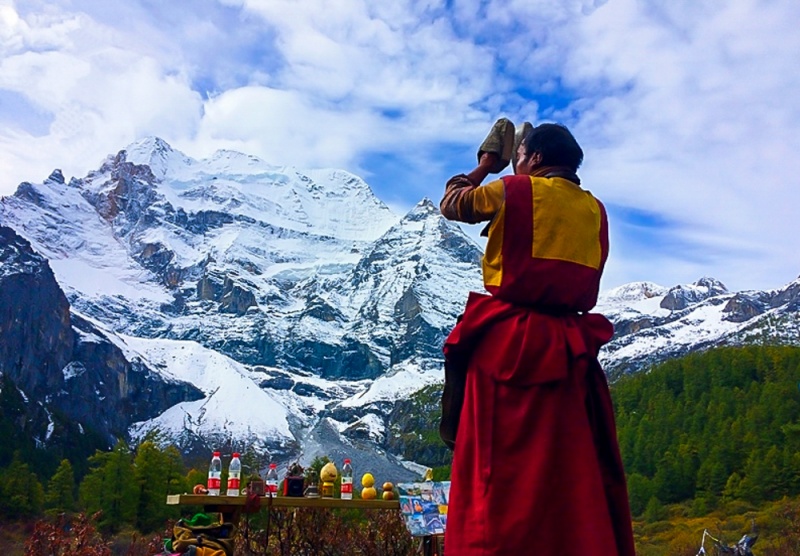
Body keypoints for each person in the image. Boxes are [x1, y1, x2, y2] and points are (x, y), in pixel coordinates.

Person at [438, 121, 636, 555]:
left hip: (508, 345)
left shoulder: (511, 189)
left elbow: (452, 204)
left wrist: (485, 165)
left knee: (499, 477)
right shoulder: (595, 210)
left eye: (521, 155)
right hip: (570, 351)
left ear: (537, 159)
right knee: (568, 475)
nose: (517, 163)